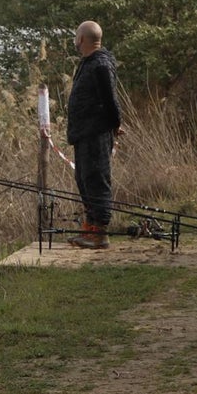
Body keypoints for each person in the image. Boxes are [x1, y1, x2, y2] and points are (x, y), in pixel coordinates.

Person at [67, 20, 123, 249]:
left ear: (81, 39)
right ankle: (89, 229)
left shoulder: (100, 64)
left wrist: (115, 124)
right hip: (83, 134)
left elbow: (110, 100)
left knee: (96, 179)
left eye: (76, 37)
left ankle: (100, 233)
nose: (75, 41)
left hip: (95, 134)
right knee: (83, 179)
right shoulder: (89, 62)